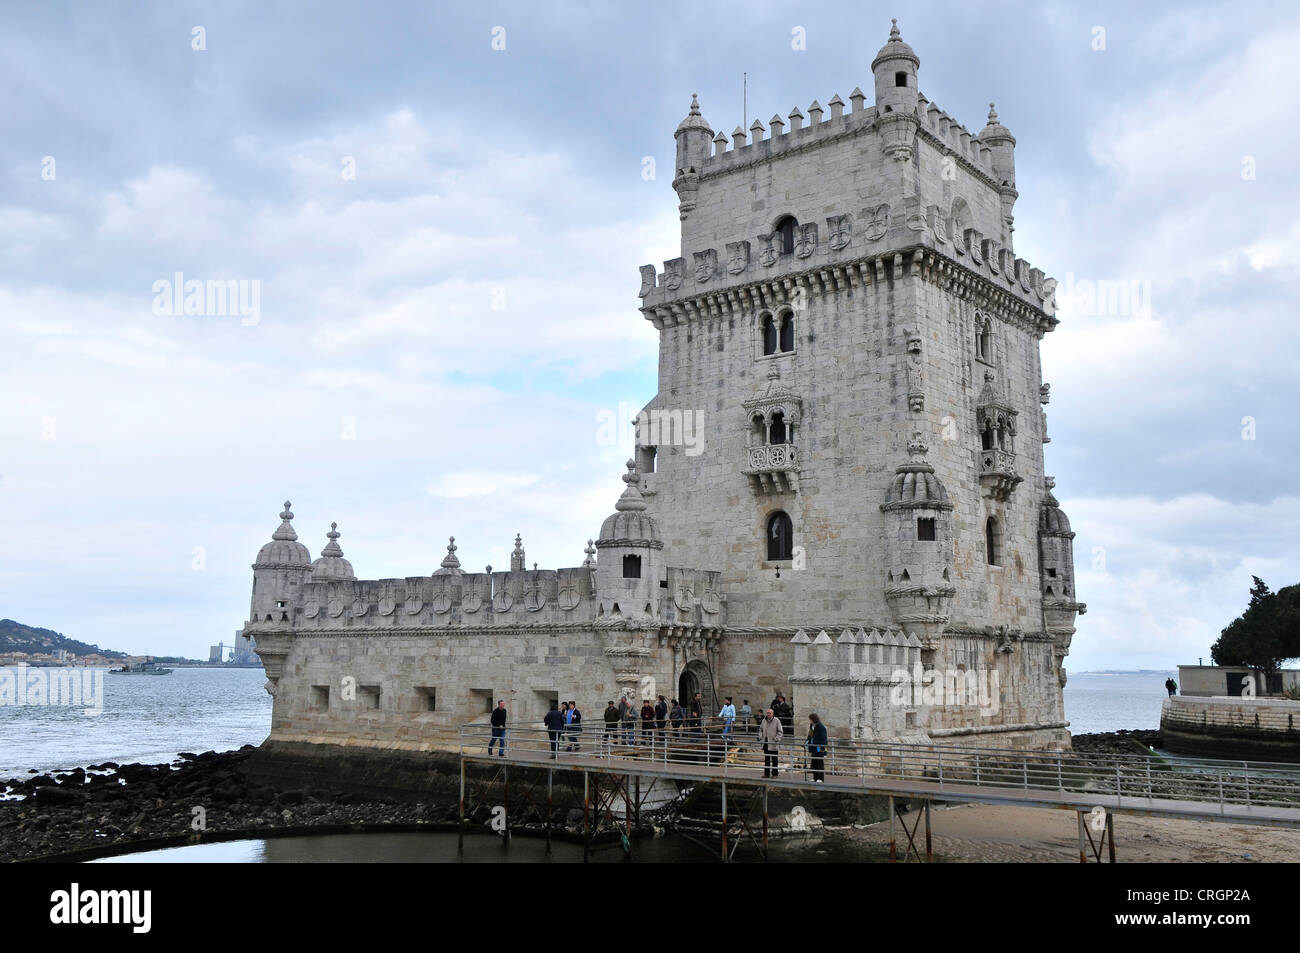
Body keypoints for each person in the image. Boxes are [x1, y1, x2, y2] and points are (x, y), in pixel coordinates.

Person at [759, 707, 783, 778]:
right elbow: (760, 729)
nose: (768, 714)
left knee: (774, 759)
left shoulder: (776, 720)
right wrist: (760, 736)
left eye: (770, 713)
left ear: (773, 714)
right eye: (767, 713)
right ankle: (766, 774)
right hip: (766, 743)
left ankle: (775, 774)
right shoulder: (764, 720)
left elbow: (780, 731)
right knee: (767, 759)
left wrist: (777, 738)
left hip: (773, 743)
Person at [806, 713, 828, 782]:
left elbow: (824, 740)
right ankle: (815, 777)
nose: (810, 721)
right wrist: (807, 742)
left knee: (820, 763)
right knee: (814, 763)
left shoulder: (821, 727)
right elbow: (810, 735)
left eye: (810, 719)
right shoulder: (811, 726)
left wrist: (823, 751)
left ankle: (820, 778)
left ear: (813, 719)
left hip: (819, 747)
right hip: (813, 747)